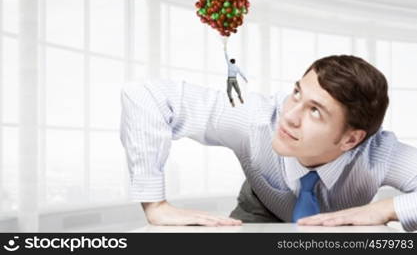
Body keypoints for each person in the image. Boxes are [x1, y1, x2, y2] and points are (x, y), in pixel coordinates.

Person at [119, 55, 417, 231]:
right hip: (261, 204)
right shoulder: (255, 120)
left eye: (315, 111)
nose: (289, 116)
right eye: (297, 93)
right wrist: (155, 204)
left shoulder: (380, 155)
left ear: (351, 139)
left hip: (340, 220)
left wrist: (389, 208)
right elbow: (146, 95)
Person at [223, 42, 248, 107]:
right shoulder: (236, 67)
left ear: (230, 61)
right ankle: (240, 97)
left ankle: (232, 101)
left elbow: (226, 57)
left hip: (230, 79)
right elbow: (241, 73)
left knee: (229, 91)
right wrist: (245, 79)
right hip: (235, 79)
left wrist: (225, 49)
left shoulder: (229, 64)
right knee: (237, 89)